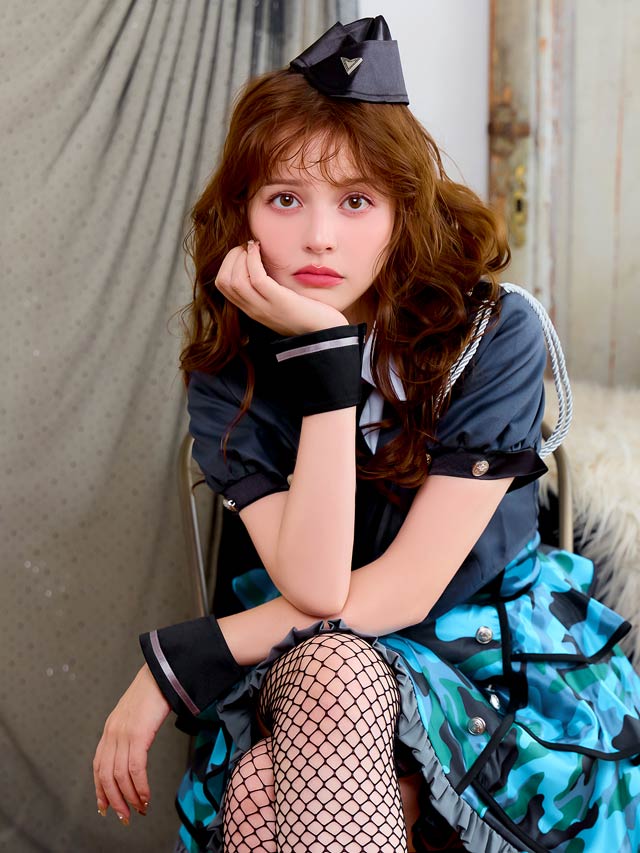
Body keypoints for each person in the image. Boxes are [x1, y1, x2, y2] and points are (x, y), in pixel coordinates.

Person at [92, 15, 640, 853]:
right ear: (242, 215)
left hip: (485, 665)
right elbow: (317, 588)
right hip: (310, 662)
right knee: (324, 684)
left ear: (401, 212)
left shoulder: (494, 334)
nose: (319, 236)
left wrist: (180, 661)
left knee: (265, 783)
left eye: (356, 201)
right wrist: (326, 363)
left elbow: (402, 595)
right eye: (285, 199)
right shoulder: (230, 372)